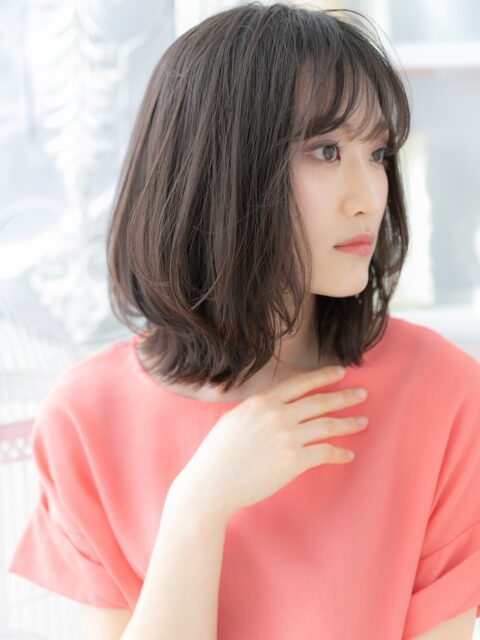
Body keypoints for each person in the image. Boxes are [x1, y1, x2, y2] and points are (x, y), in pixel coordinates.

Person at [7, 3, 480, 639]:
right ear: (219, 167)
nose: (369, 197)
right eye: (327, 150)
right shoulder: (88, 418)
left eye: (377, 152)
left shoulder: (441, 396)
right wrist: (197, 509)